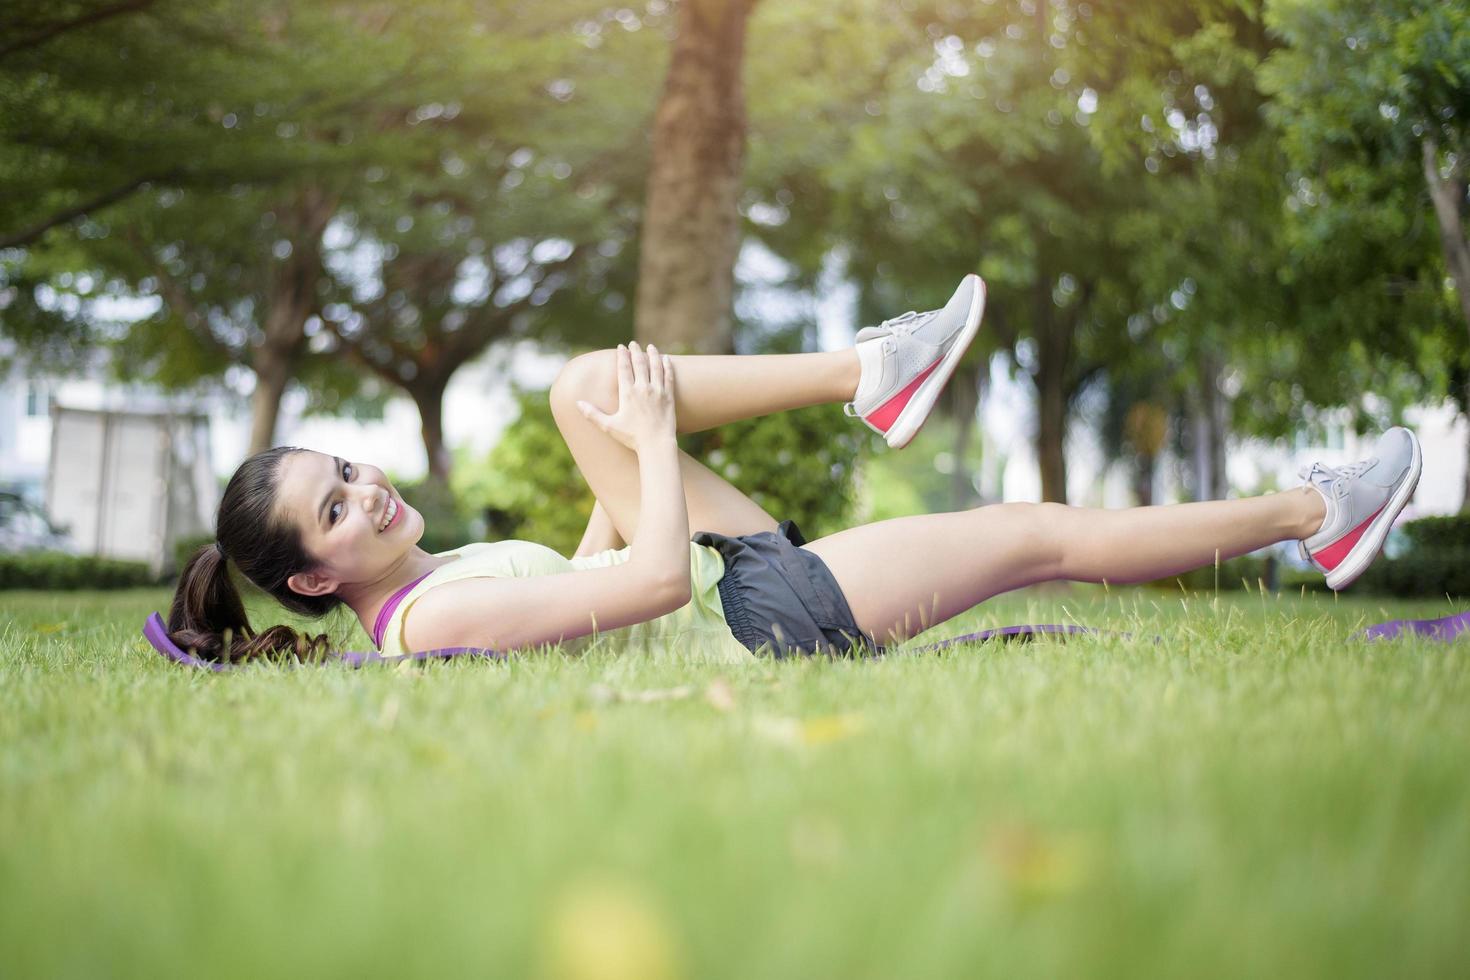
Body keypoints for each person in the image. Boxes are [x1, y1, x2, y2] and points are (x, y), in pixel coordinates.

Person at [166, 275, 1423, 664]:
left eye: (347, 466)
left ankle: (862, 375)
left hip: (736, 590)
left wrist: (616, 443)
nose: (369, 489)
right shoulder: (432, 621)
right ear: (320, 578)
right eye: (337, 509)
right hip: (760, 619)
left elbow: (594, 593)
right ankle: (1317, 514)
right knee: (1039, 526)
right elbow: (654, 585)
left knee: (574, 387)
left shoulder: (436, 576)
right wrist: (652, 447)